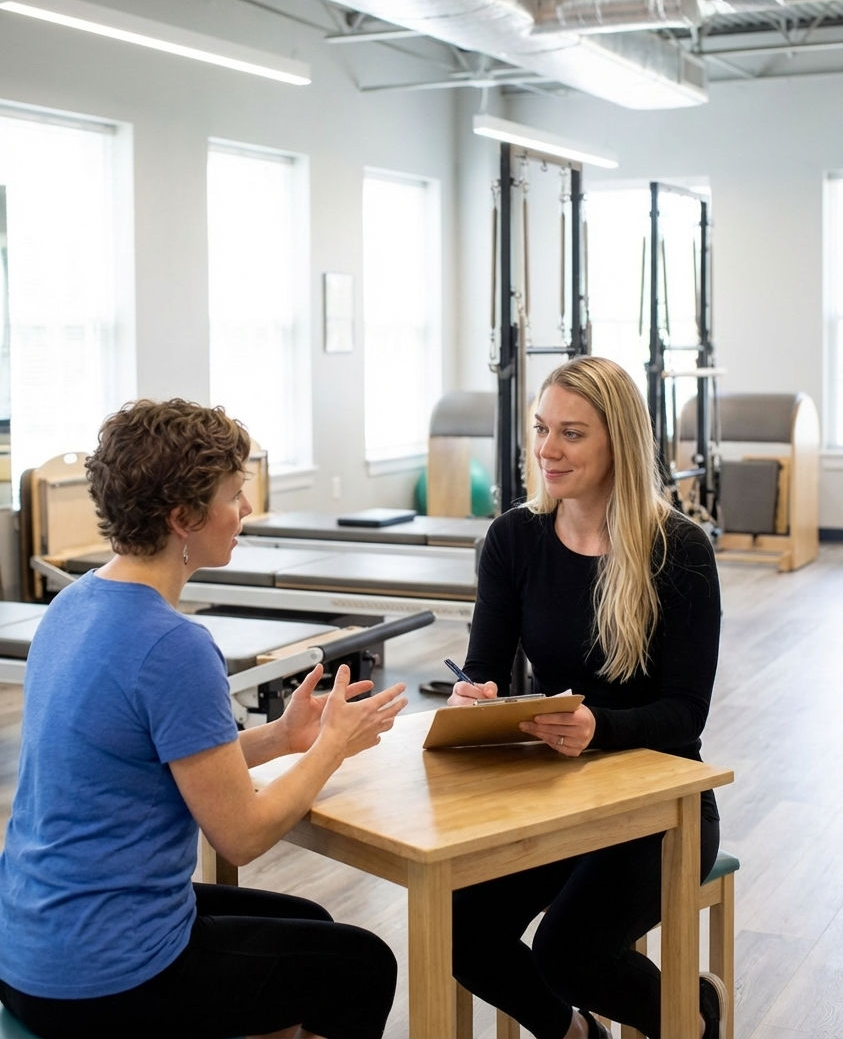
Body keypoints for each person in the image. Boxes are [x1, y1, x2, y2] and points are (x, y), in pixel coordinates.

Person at [0, 398, 408, 1039]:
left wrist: (279, 738)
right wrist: (330, 746)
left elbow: (147, 757)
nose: (245, 510)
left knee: (313, 927)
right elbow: (241, 836)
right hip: (104, 977)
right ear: (184, 516)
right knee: (363, 967)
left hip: (28, 949)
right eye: (234, 494)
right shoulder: (173, 645)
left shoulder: (73, 605)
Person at [447, 356, 725, 1039]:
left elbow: (684, 715)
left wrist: (595, 725)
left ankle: (693, 1014)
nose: (545, 449)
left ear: (616, 444)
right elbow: (485, 669)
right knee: (457, 927)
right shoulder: (514, 539)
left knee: (568, 952)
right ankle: (576, 1035)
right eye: (541, 429)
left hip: (664, 801)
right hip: (559, 790)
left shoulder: (679, 550)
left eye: (570, 434)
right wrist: (474, 696)